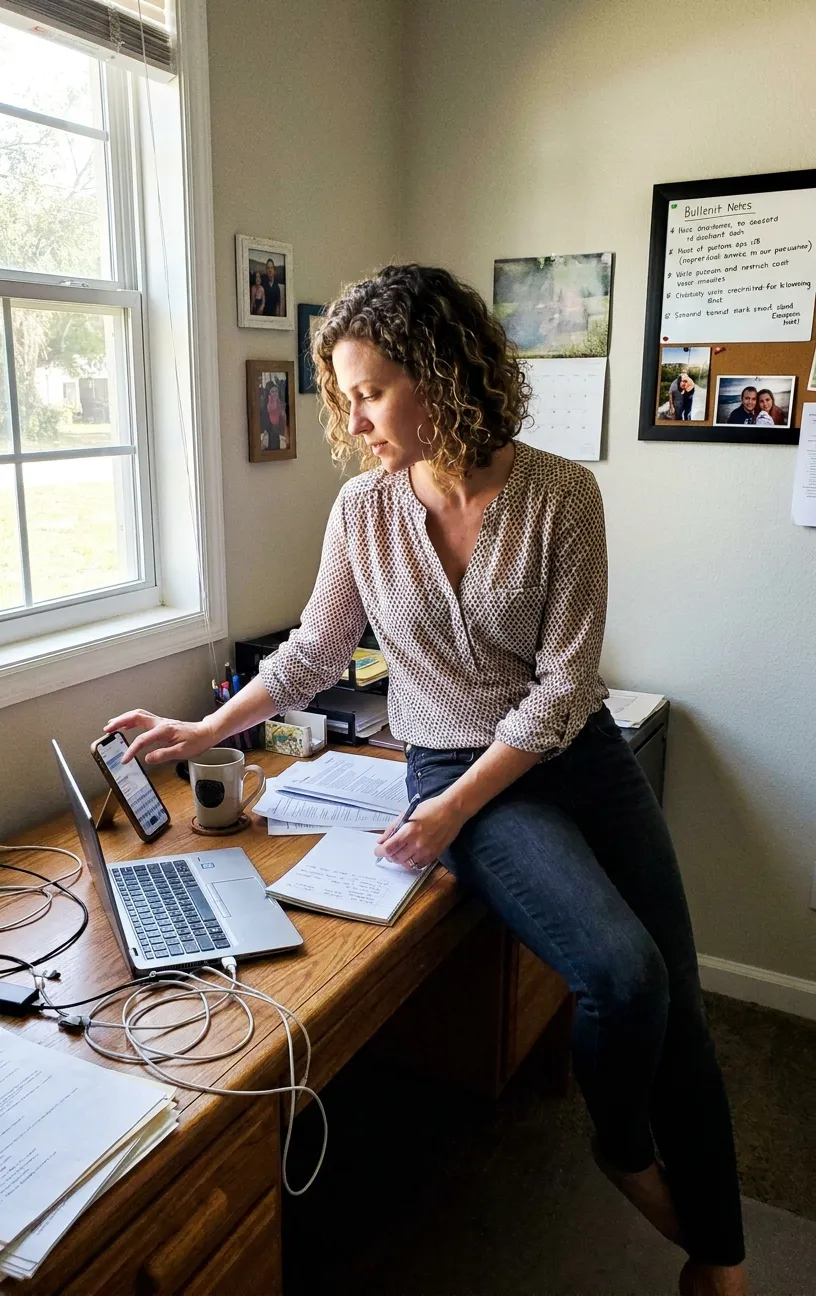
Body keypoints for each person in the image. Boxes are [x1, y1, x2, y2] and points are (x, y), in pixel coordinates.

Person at [106, 264, 748, 1296]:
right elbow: (314, 653)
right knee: (625, 978)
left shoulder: (559, 495)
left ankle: (720, 1264)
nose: (354, 417)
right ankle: (621, 1150)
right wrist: (203, 726)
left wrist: (452, 807)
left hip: (570, 759)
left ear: (442, 375)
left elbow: (564, 685)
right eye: (344, 395)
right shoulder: (363, 511)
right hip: (449, 766)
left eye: (369, 390)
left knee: (679, 1009)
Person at [259, 378, 288, 449]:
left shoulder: (280, 403)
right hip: (269, 434)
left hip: (279, 432)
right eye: (272, 391)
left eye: (276, 391)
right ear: (269, 393)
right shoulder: (266, 407)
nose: (275, 393)